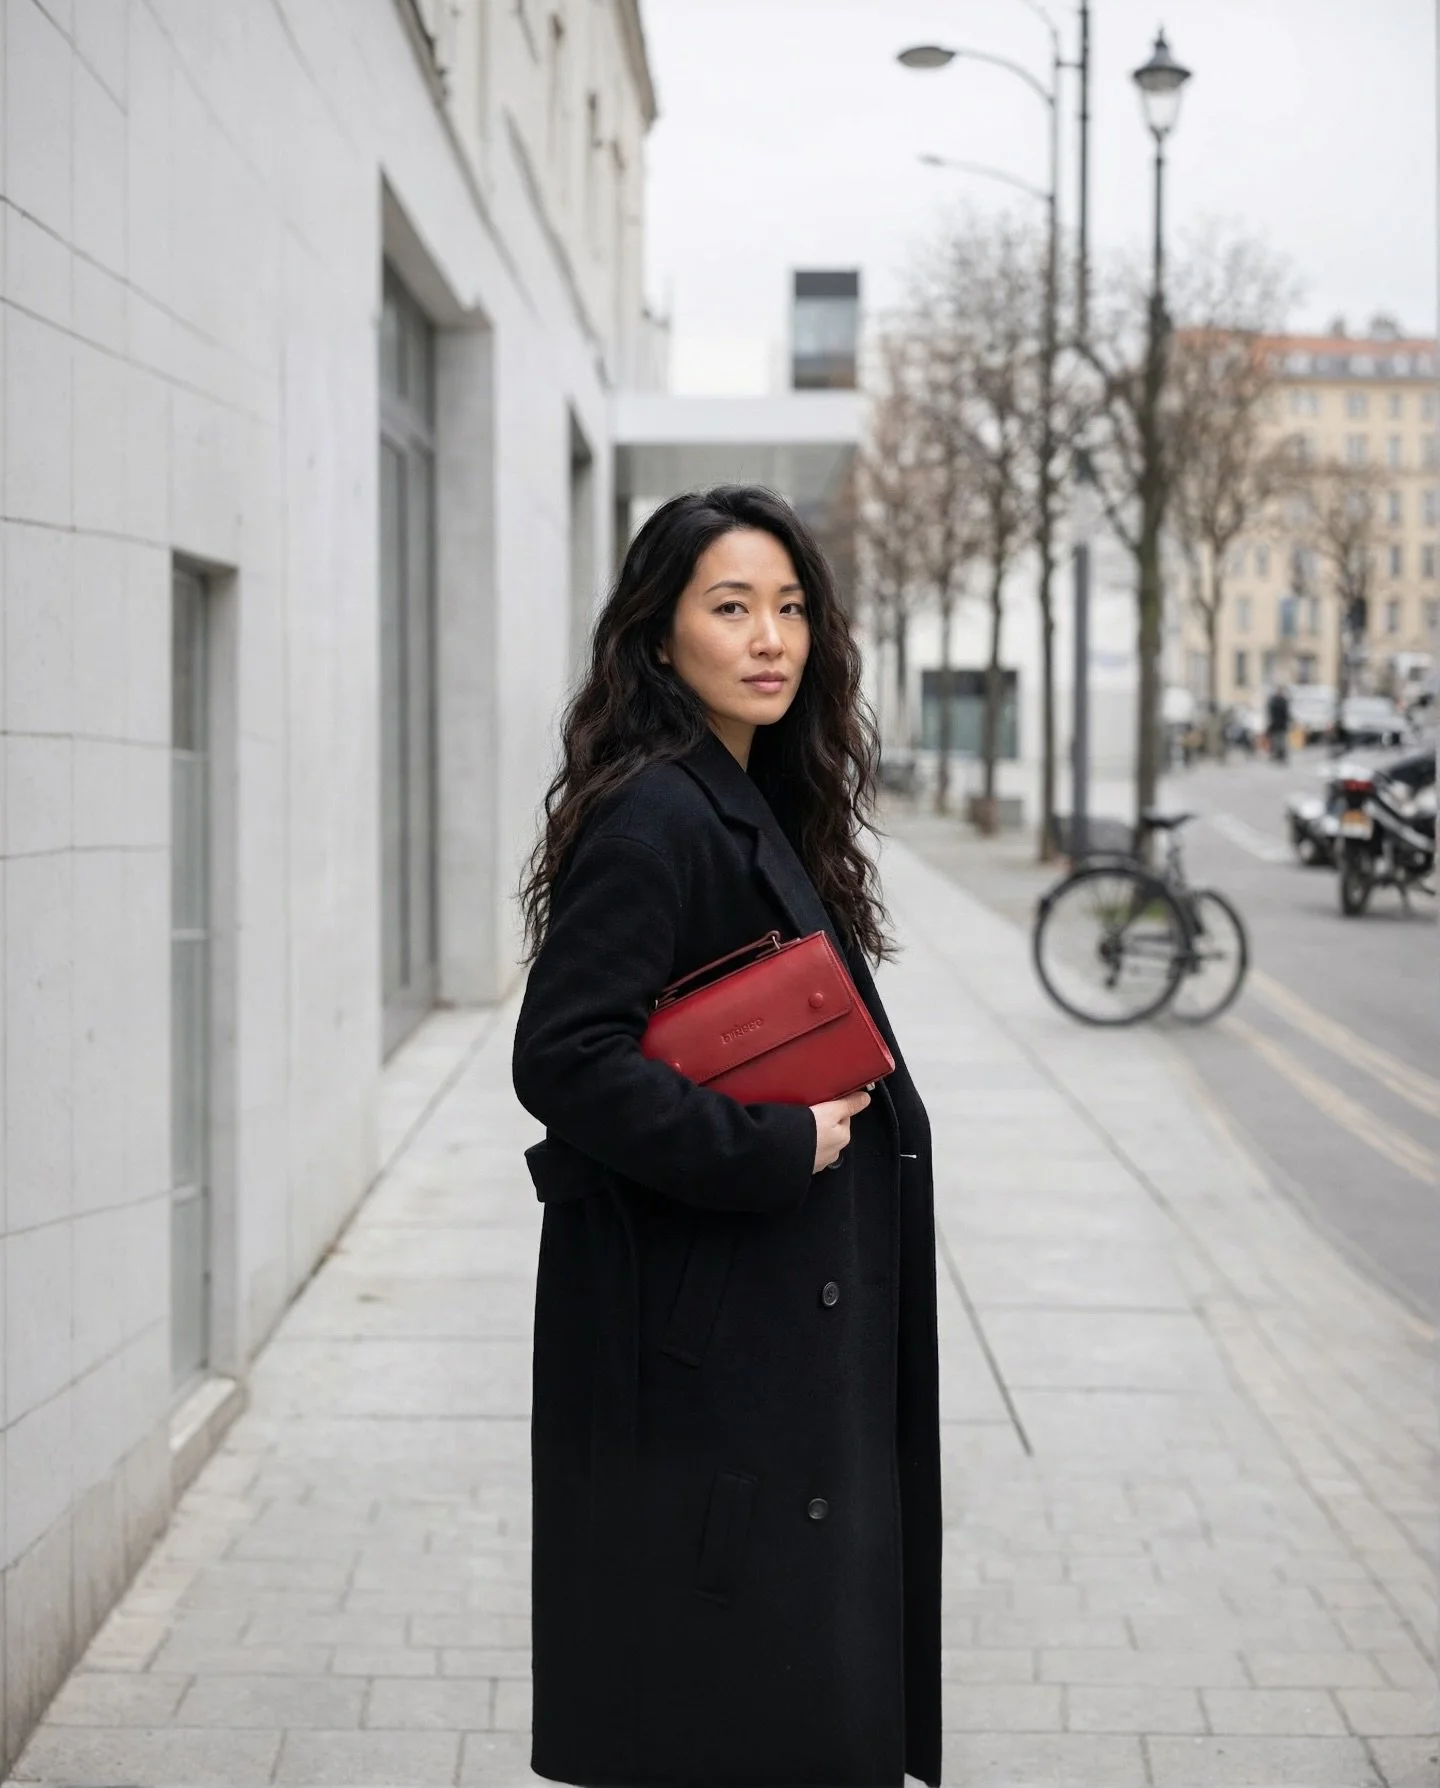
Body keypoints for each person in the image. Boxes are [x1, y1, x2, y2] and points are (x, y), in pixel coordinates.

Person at [513, 486, 941, 1788]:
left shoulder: (746, 795)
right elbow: (562, 1058)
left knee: (773, 1694)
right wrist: (765, 1149)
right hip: (713, 1351)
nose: (772, 638)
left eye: (792, 608)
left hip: (764, 1330)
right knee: (734, 1703)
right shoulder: (656, 814)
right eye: (731, 607)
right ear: (658, 638)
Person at [1266, 684, 1292, 762]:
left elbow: (1286, 713)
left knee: (1279, 740)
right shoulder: (1281, 701)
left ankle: (1280, 754)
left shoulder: (1275, 701)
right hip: (1278, 724)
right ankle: (1279, 754)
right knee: (1278, 740)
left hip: (1278, 724)